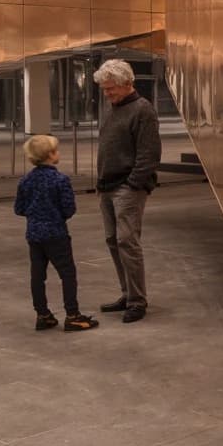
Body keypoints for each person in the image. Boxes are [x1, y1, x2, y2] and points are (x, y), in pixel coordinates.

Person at [93, 59, 161, 322]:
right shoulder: (113, 108)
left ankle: (137, 301)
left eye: (111, 89)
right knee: (113, 241)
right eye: (104, 89)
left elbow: (149, 153)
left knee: (127, 242)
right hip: (108, 186)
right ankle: (127, 292)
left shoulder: (143, 110)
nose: (107, 93)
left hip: (127, 188)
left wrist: (133, 183)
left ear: (127, 84)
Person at [13, 134, 98, 333]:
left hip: (34, 234)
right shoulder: (60, 180)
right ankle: (72, 315)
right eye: (56, 150)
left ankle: (43, 314)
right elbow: (69, 209)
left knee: (37, 275)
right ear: (50, 155)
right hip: (56, 233)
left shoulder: (25, 180)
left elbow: (19, 208)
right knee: (67, 274)